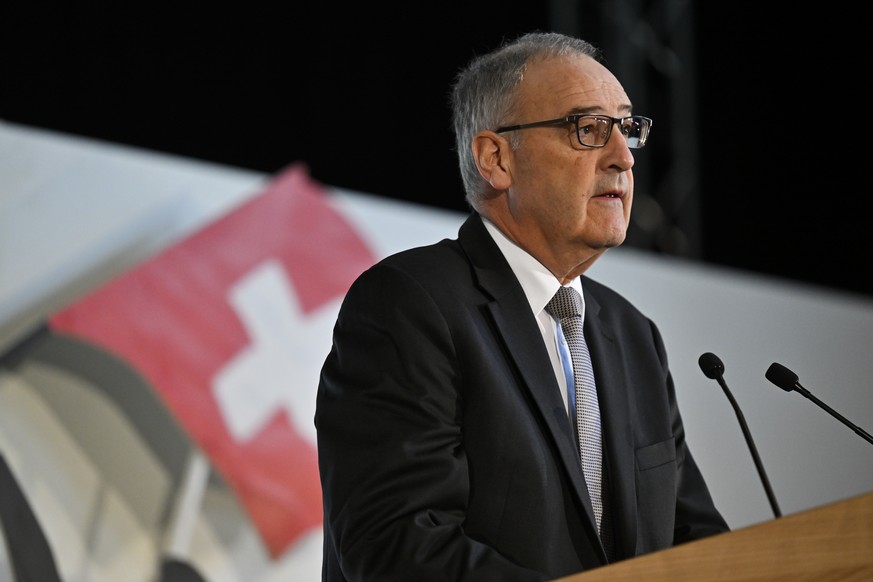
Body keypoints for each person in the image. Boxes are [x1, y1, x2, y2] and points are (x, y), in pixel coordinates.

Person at [315, 30, 729, 581]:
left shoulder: (634, 337)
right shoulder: (409, 304)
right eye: (589, 129)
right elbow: (399, 544)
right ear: (496, 158)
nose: (623, 158)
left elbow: (694, 542)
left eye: (628, 130)